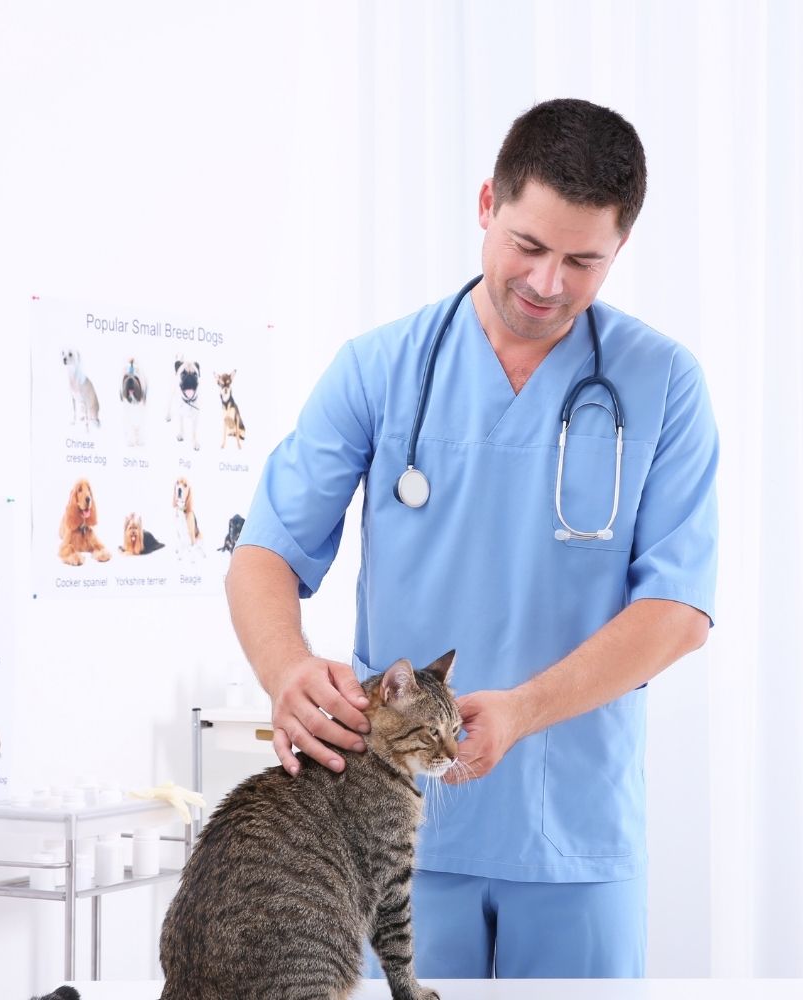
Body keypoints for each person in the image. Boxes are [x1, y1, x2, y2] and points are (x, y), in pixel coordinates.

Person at [224, 98, 718, 979]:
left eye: (582, 261)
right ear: (488, 203)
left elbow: (678, 612)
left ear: (619, 251)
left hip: (572, 831)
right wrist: (286, 670)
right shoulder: (381, 367)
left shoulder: (665, 384)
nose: (547, 283)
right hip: (383, 834)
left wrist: (523, 710)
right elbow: (267, 550)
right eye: (528, 246)